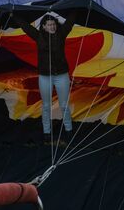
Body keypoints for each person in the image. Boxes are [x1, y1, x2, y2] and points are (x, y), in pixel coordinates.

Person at [13, 12, 76, 142]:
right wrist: (14, 15)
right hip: (45, 77)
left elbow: (70, 21)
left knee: (64, 104)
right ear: (43, 27)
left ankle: (69, 130)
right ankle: (47, 132)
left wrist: (78, 8)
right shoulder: (38, 36)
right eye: (49, 25)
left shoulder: (62, 33)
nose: (52, 27)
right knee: (46, 105)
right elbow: (25, 26)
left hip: (62, 75)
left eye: (53, 24)